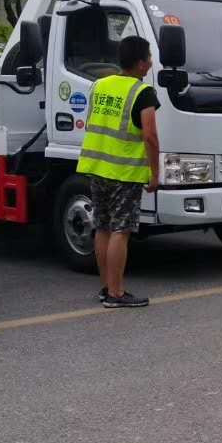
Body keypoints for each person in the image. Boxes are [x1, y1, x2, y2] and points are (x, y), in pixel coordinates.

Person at [77, 34, 160, 308]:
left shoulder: (99, 85)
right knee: (121, 231)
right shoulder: (142, 92)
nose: (151, 63)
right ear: (140, 63)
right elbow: (150, 136)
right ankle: (116, 293)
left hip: (97, 168)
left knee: (102, 227)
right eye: (149, 58)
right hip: (124, 173)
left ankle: (106, 288)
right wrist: (155, 173)